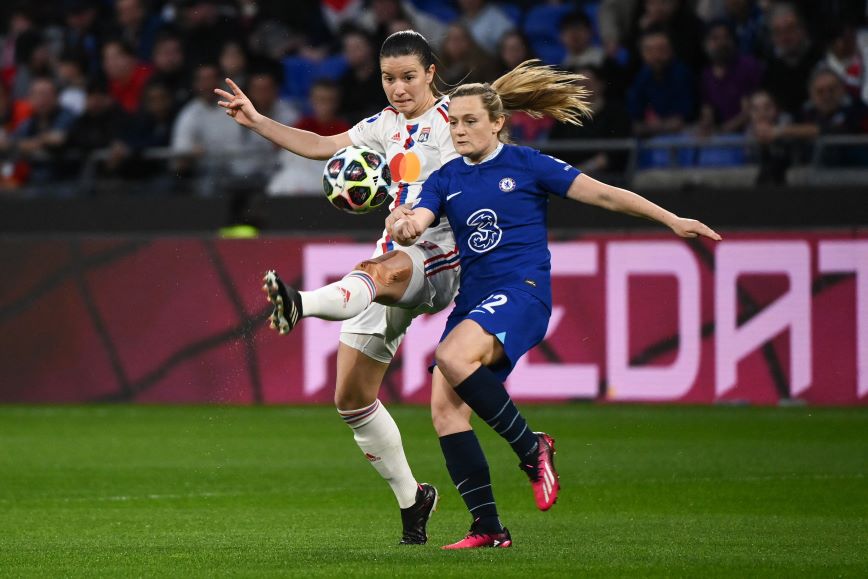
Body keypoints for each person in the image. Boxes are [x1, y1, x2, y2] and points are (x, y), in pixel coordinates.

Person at [388, 60, 721, 549]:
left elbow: (604, 195)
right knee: (445, 411)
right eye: (453, 122)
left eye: (470, 121)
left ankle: (532, 448)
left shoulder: (527, 164)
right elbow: (418, 215)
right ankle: (487, 528)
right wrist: (404, 224)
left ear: (497, 122)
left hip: (523, 293)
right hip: (473, 302)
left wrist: (671, 219)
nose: (459, 130)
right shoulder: (445, 177)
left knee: (450, 357)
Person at [214, 30, 460, 545]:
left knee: (379, 271)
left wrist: (426, 215)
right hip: (393, 258)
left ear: (431, 73)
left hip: (441, 256)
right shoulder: (384, 125)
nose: (398, 88)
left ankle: (299, 303)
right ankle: (414, 501)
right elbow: (322, 146)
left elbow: (482, 175)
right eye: (389, 78)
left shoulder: (454, 121)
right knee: (351, 399)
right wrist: (258, 121)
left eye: (408, 77)